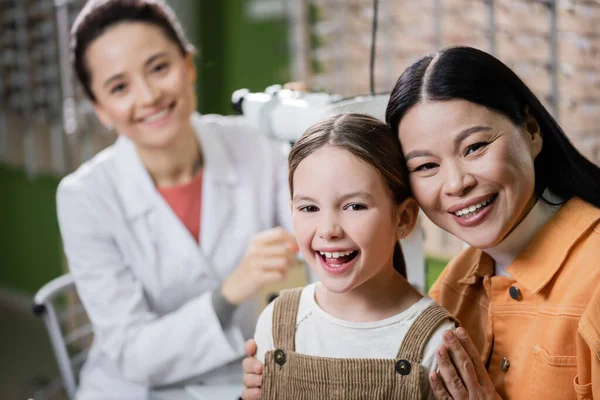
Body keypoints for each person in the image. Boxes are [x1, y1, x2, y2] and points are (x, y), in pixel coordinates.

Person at [240, 46, 600, 400]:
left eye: (474, 147)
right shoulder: (455, 287)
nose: (457, 182)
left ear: (532, 131)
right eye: (426, 166)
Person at [56, 0, 303, 398]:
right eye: (119, 87)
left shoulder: (257, 145)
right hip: (135, 389)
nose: (149, 95)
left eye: (159, 67)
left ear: (187, 65)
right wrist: (230, 291)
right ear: (100, 108)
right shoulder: (82, 197)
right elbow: (133, 354)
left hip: (242, 377)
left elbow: (317, 241)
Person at [254, 113, 456, 399]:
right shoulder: (276, 322)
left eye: (354, 206)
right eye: (309, 208)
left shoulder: (438, 342)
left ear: (404, 217)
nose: (328, 230)